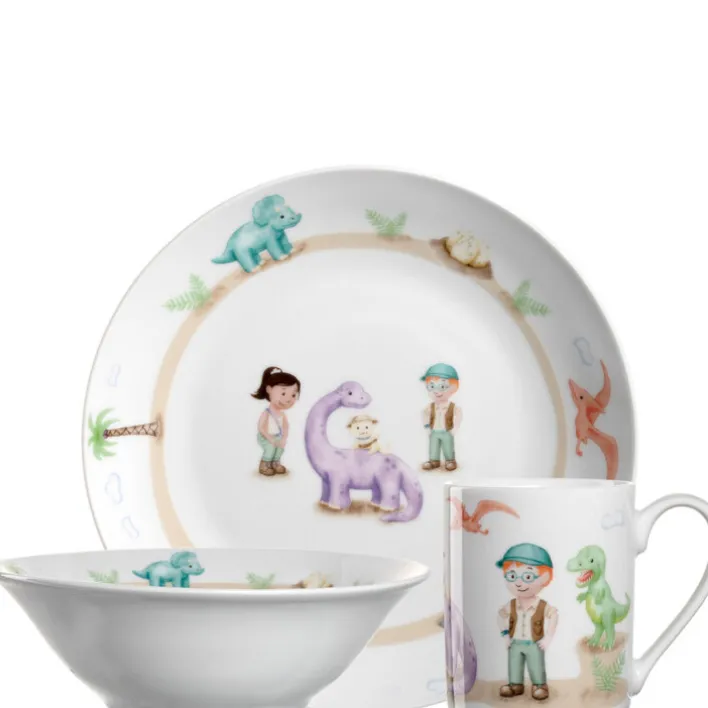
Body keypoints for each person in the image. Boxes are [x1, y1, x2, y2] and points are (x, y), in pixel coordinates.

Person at [496, 543, 558, 701]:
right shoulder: (511, 605)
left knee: (536, 665)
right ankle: (515, 685)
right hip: (515, 642)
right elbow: (500, 615)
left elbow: (553, 615)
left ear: (545, 578)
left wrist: (548, 637)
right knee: (514, 664)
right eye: (512, 576)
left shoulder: (541, 605)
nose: (518, 583)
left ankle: (539, 685)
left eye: (528, 577)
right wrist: (505, 634)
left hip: (534, 643)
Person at [251, 366, 301, 476]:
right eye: (283, 393)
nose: (288, 399)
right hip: (265, 436)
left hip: (278, 436)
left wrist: (284, 438)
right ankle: (264, 465)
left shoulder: (282, 415)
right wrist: (269, 438)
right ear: (269, 389)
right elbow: (261, 428)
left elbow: (286, 427)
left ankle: (275, 463)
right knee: (270, 448)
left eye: (293, 395)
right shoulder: (267, 413)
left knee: (280, 448)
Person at [420, 363, 462, 471]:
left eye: (442, 386)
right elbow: (424, 413)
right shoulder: (431, 406)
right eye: (431, 386)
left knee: (448, 446)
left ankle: (450, 461)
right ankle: (434, 461)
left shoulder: (452, 406)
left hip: (447, 431)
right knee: (433, 446)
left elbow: (458, 414)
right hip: (434, 431)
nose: (436, 391)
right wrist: (426, 426)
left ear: (454, 388)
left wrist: (455, 428)